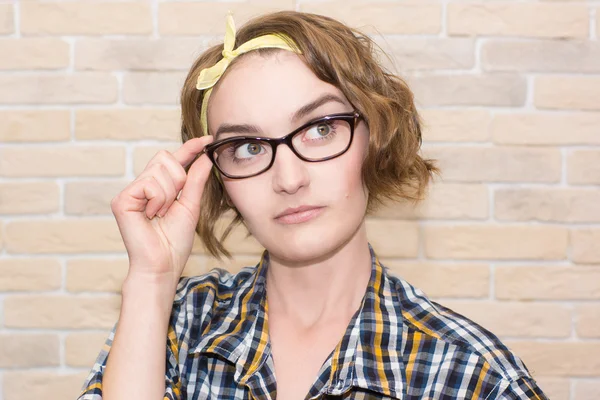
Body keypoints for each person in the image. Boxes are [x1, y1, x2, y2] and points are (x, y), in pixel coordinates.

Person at [77, 10, 549, 400]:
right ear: (213, 174)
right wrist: (151, 278)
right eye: (247, 146)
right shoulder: (178, 320)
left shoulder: (473, 375)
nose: (289, 179)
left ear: (375, 137)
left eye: (321, 129)